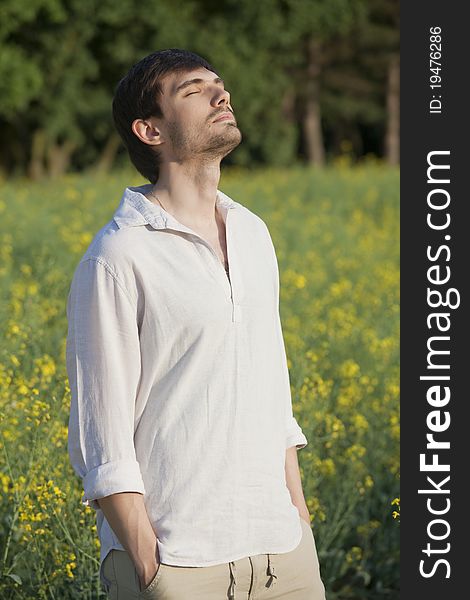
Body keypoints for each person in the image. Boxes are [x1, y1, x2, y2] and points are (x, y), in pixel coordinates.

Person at [66, 48, 326, 599]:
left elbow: (271, 388)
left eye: (219, 84)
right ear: (150, 130)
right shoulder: (117, 257)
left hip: (285, 556)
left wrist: (297, 516)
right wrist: (150, 564)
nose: (220, 94)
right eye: (193, 90)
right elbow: (101, 434)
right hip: (179, 563)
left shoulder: (253, 233)